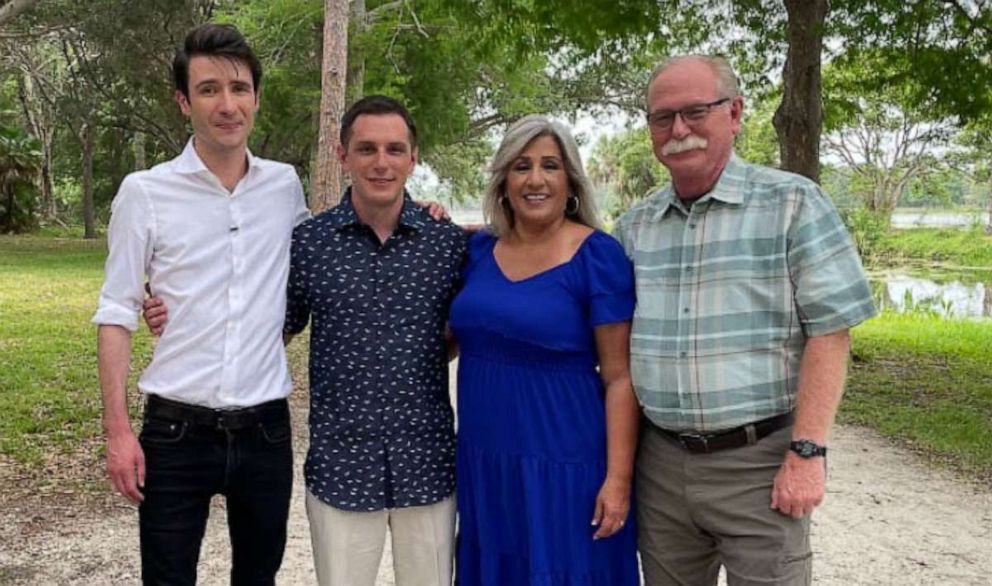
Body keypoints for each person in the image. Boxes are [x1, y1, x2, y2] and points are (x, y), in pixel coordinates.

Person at [614, 55, 877, 585]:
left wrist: (807, 452)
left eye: (694, 112)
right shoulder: (634, 227)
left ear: (734, 113)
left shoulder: (793, 204)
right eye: (662, 118)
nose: (678, 130)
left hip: (760, 463)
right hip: (661, 464)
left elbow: (831, 330)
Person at [93, 24, 308, 585]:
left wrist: (416, 211)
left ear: (256, 97)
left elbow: (321, 266)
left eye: (239, 88)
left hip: (266, 430)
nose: (227, 104)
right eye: (209, 89)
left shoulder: (284, 188)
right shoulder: (145, 192)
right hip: (175, 431)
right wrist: (118, 432)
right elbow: (116, 310)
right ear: (184, 102)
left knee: (259, 578)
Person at [449, 115, 641, 586]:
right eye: (521, 166)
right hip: (486, 459)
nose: (535, 179)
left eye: (550, 166)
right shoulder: (476, 251)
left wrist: (618, 481)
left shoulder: (598, 256)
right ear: (503, 181)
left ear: (570, 180)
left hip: (566, 462)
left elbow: (620, 377)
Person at [282, 95, 466, 586]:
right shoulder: (309, 244)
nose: (380, 162)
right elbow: (272, 326)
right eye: (366, 149)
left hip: (426, 462)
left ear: (413, 156)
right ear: (343, 155)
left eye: (394, 149)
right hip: (342, 463)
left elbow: (474, 321)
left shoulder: (447, 243)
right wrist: (183, 311)